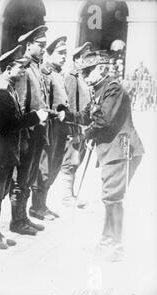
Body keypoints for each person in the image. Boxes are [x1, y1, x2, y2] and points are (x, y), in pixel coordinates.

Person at [62, 50, 145, 261]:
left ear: (100, 69)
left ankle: (114, 245)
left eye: (88, 71)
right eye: (83, 72)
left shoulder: (113, 88)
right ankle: (109, 240)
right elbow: (86, 115)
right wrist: (66, 115)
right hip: (112, 151)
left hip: (122, 149)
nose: (85, 76)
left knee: (113, 197)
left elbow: (104, 120)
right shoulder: (99, 89)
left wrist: (85, 134)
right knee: (111, 197)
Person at [0, 45, 51, 249]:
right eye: (20, 68)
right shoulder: (1, 91)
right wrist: (35, 117)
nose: (23, 72)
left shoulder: (8, 87)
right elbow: (10, 123)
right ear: (9, 68)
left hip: (6, 150)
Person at [9, 25, 50, 235]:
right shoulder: (25, 68)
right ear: (28, 46)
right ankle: (17, 220)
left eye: (44, 45)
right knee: (21, 178)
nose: (43, 49)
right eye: (40, 45)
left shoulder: (37, 66)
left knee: (29, 176)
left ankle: (23, 217)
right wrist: (24, 134)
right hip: (28, 131)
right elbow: (21, 105)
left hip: (38, 131)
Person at [29, 36, 70, 219]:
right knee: (44, 167)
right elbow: (44, 101)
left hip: (60, 128)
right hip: (50, 126)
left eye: (65, 54)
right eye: (60, 53)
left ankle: (43, 204)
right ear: (50, 54)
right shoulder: (45, 73)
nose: (64, 57)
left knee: (55, 164)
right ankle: (37, 207)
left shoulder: (58, 73)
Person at [61, 42, 92, 208]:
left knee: (77, 160)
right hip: (75, 126)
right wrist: (74, 127)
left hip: (83, 126)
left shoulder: (83, 77)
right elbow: (72, 105)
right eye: (86, 58)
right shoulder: (71, 77)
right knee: (71, 161)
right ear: (78, 60)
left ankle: (70, 194)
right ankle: (67, 196)